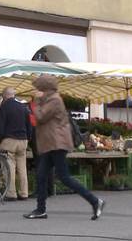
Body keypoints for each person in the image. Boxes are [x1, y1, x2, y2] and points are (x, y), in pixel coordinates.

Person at [23, 75, 105, 220]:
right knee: (41, 175)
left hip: (57, 143)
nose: (36, 90)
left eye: (39, 88)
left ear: (45, 88)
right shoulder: (49, 99)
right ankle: (40, 209)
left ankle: (95, 201)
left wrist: (35, 102)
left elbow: (41, 116)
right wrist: (38, 100)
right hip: (52, 143)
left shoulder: (54, 100)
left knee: (64, 177)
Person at [0, 87, 31, 201]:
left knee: (9, 166)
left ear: (4, 96)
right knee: (22, 167)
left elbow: (1, 127)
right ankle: (24, 193)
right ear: (13, 95)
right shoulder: (23, 107)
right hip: (23, 140)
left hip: (9, 140)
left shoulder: (4, 107)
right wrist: (28, 138)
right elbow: (29, 125)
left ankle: (11, 193)